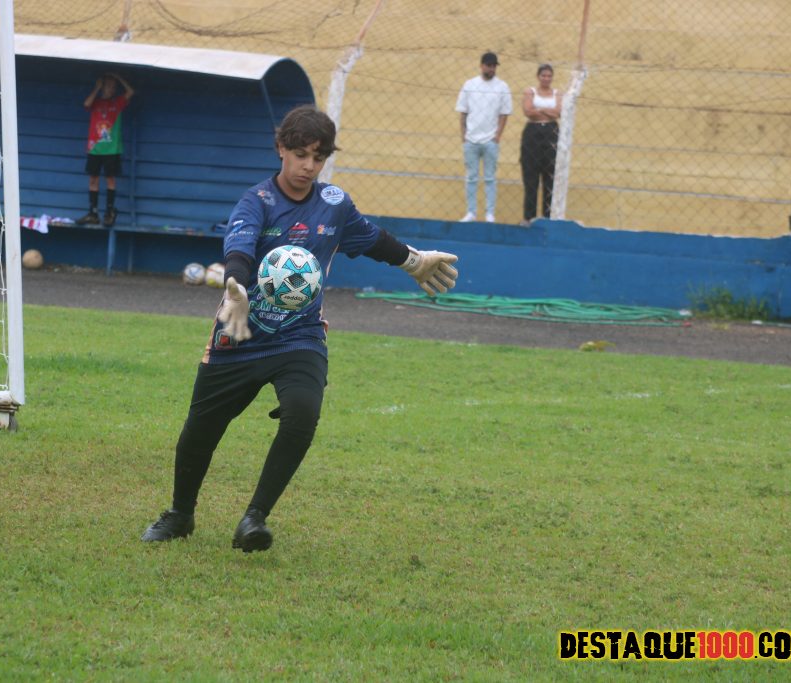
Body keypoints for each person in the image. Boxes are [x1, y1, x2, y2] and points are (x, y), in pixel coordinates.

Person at [141, 105, 459, 552]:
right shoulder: (256, 202)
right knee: (202, 427)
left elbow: (372, 239)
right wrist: (236, 288)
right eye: (300, 154)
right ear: (280, 149)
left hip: (300, 336)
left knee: (303, 413)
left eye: (318, 157)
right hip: (240, 330)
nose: (309, 166)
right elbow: (239, 249)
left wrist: (413, 261)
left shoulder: (334, 205)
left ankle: (254, 519)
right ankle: (180, 514)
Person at [455, 51, 512, 223]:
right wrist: (464, 136)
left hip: (490, 140)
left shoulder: (502, 87)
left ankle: (489, 214)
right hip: (471, 139)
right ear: (481, 66)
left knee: (490, 178)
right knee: (471, 177)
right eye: (489, 65)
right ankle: (471, 212)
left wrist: (497, 136)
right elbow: (463, 112)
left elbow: (504, 114)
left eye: (494, 66)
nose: (491, 68)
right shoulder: (470, 84)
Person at [79, 72, 134, 228]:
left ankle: (109, 212)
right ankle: (93, 213)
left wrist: (119, 77)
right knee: (93, 179)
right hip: (95, 148)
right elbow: (86, 104)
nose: (111, 89)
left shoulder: (117, 103)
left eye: (113, 86)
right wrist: (97, 88)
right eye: (108, 86)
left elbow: (130, 92)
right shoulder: (96, 102)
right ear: (102, 87)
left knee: (110, 179)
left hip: (111, 149)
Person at [520, 64, 562, 224]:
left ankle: (547, 217)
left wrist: (539, 109)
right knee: (531, 177)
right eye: (543, 75)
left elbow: (558, 113)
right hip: (533, 132)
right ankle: (529, 217)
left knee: (550, 176)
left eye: (549, 76)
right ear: (538, 76)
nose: (546, 78)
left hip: (551, 133)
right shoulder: (530, 91)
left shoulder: (557, 93)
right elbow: (528, 111)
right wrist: (547, 111)